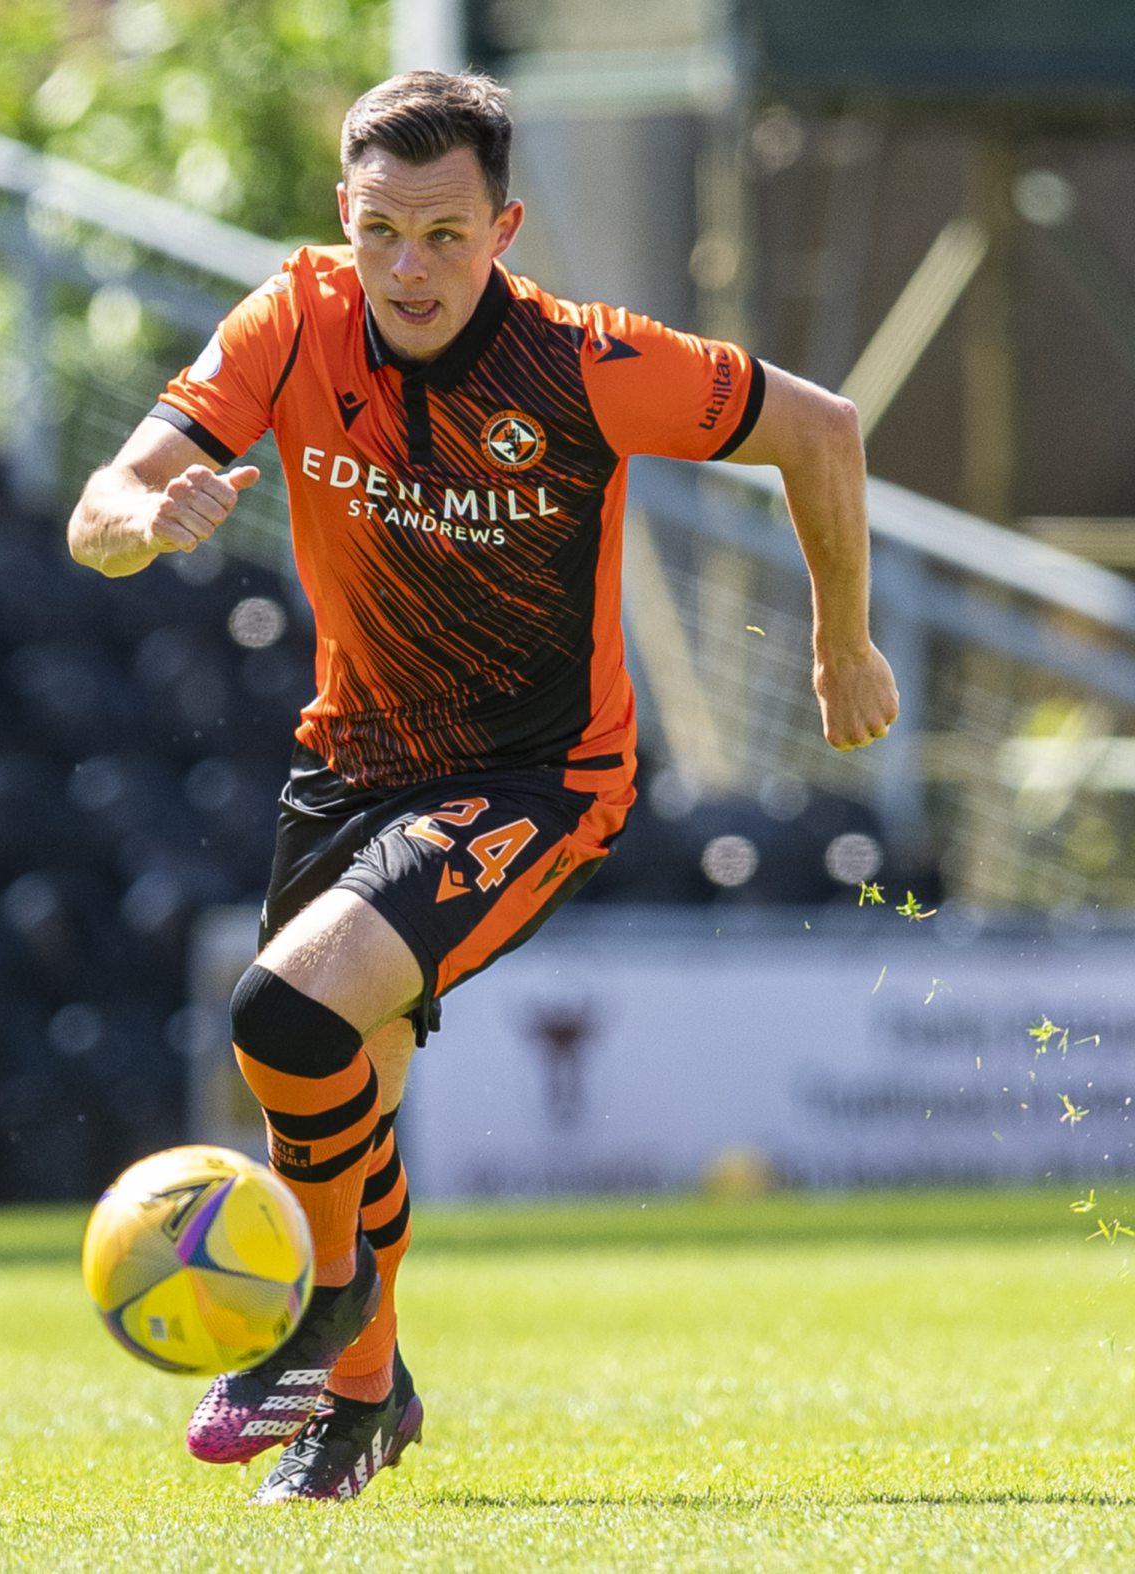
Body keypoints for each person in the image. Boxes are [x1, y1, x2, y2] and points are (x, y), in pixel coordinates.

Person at [68, 69, 899, 1503]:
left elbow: (819, 426)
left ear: (504, 227)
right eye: (383, 227)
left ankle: (317, 1329)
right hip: (348, 769)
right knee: (334, 1102)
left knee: (282, 1009)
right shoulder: (289, 320)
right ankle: (366, 1403)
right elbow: (98, 513)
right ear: (345, 215)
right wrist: (152, 516)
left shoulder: (582, 362)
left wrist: (842, 642)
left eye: (446, 234)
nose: (410, 266)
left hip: (535, 776)